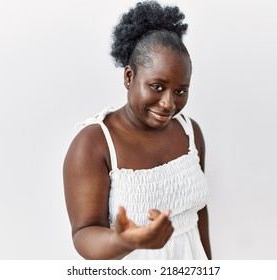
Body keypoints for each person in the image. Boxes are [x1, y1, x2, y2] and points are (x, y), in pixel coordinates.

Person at [63, 0, 211, 260]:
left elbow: (199, 214)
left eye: (180, 91)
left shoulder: (190, 133)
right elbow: (84, 233)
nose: (168, 103)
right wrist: (124, 241)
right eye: (157, 86)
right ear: (129, 77)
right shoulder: (94, 143)